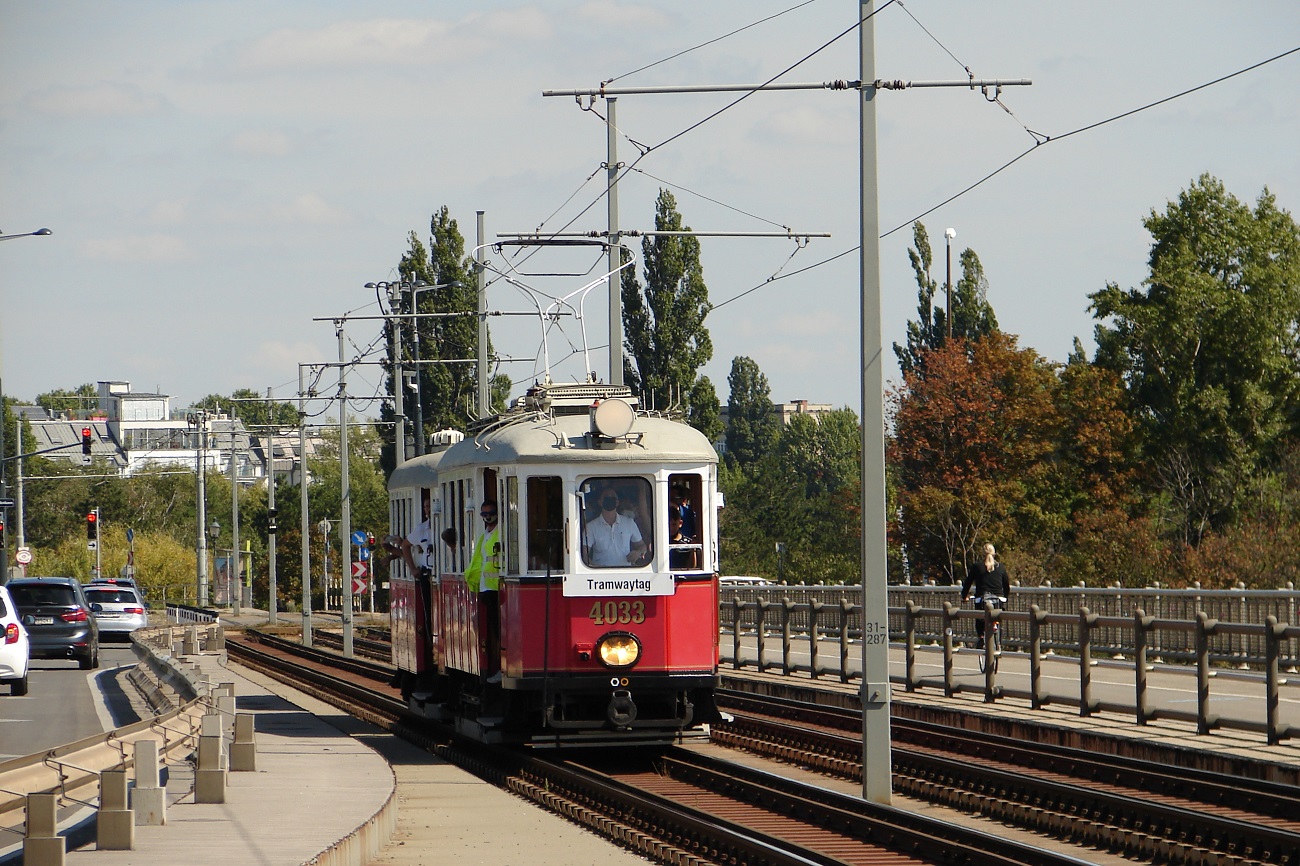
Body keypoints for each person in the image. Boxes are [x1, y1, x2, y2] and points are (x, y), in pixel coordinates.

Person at [464, 501, 502, 682]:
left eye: (490, 512)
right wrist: (473, 584)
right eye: (484, 514)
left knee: (499, 631)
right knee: (492, 630)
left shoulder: (501, 533)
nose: (487, 516)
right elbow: (477, 561)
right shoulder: (485, 535)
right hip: (486, 588)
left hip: (498, 588)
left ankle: (501, 667)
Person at [583, 486, 646, 567]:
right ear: (599, 502)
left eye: (613, 498)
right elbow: (584, 554)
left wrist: (638, 553)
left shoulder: (629, 523)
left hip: (626, 575)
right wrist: (593, 567)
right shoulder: (591, 527)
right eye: (606, 497)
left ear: (618, 502)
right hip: (600, 577)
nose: (610, 499)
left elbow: (642, 546)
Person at [962, 543, 1010, 648]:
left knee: (980, 618)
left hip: (982, 598)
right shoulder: (1001, 567)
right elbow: (1006, 584)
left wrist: (964, 596)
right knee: (998, 616)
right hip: (998, 598)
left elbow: (968, 583)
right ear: (994, 554)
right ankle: (999, 641)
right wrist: (1005, 596)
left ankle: (981, 637)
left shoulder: (977, 567)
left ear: (982, 554)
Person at [400, 489, 433, 576]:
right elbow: (405, 545)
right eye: (427, 506)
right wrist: (413, 569)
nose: (429, 509)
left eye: (431, 506)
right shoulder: (421, 529)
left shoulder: (446, 526)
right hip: (428, 572)